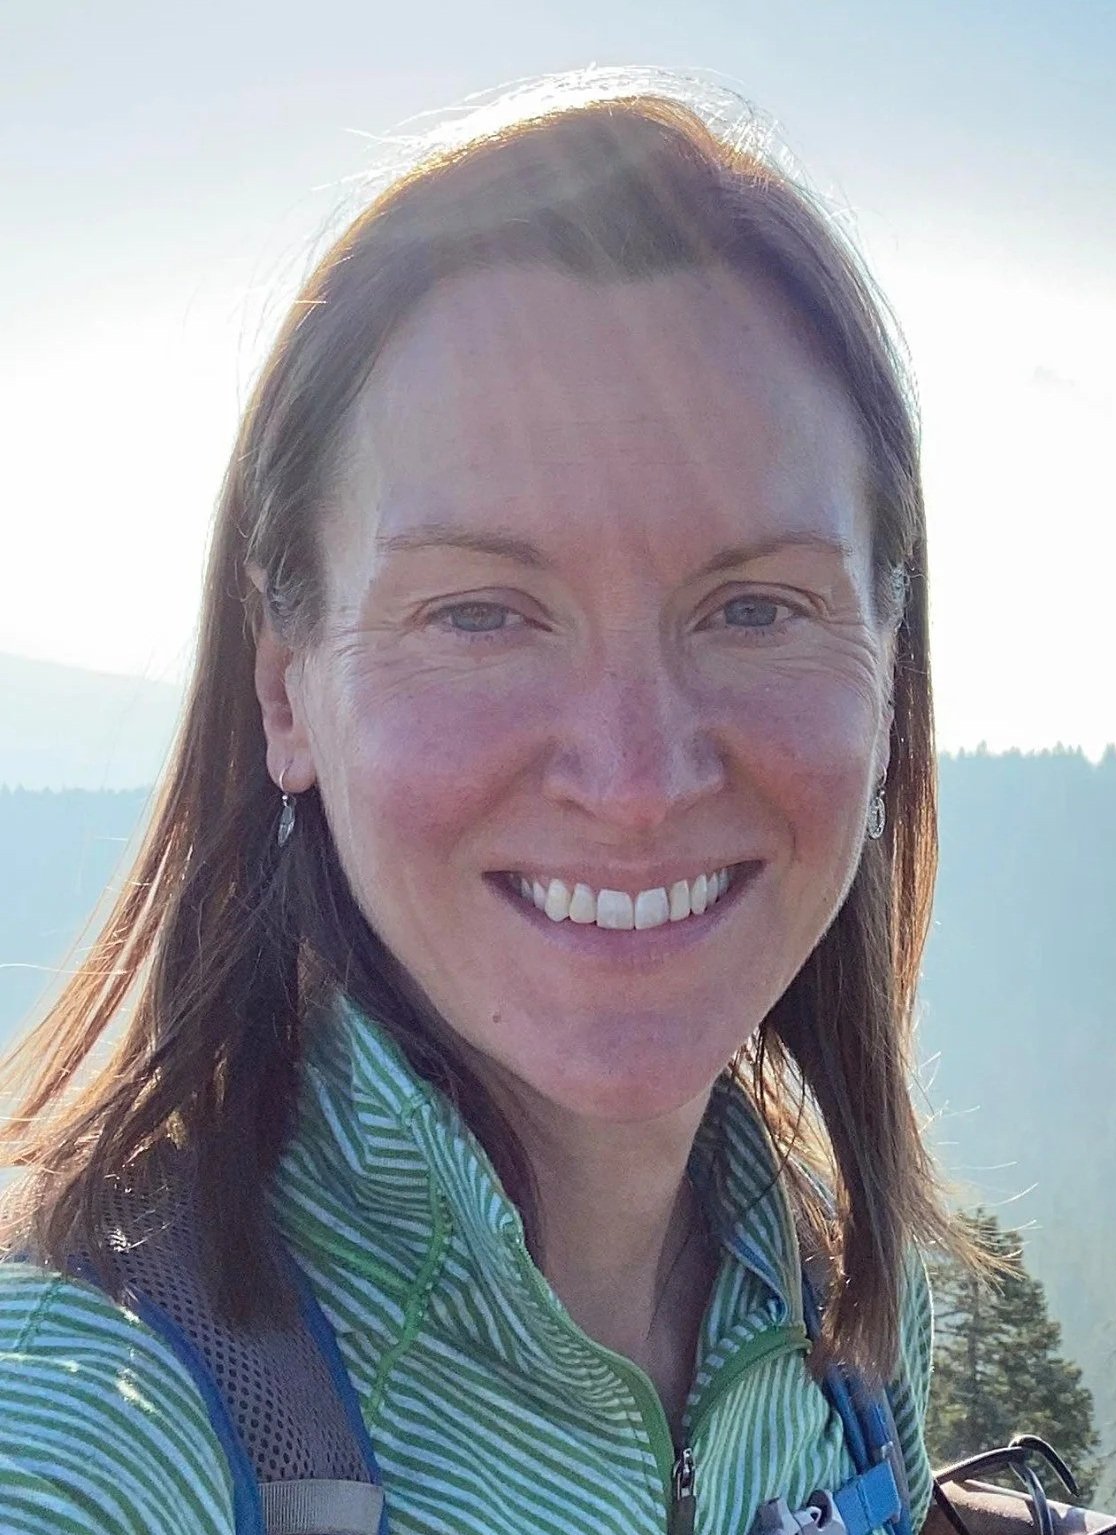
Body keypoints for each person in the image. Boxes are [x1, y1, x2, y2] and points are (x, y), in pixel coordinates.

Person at [0, 73, 1032, 1535]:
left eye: (753, 610)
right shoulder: (97, 1432)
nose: (633, 777)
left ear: (886, 662)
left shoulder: (837, 1310)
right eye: (482, 613)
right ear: (284, 688)